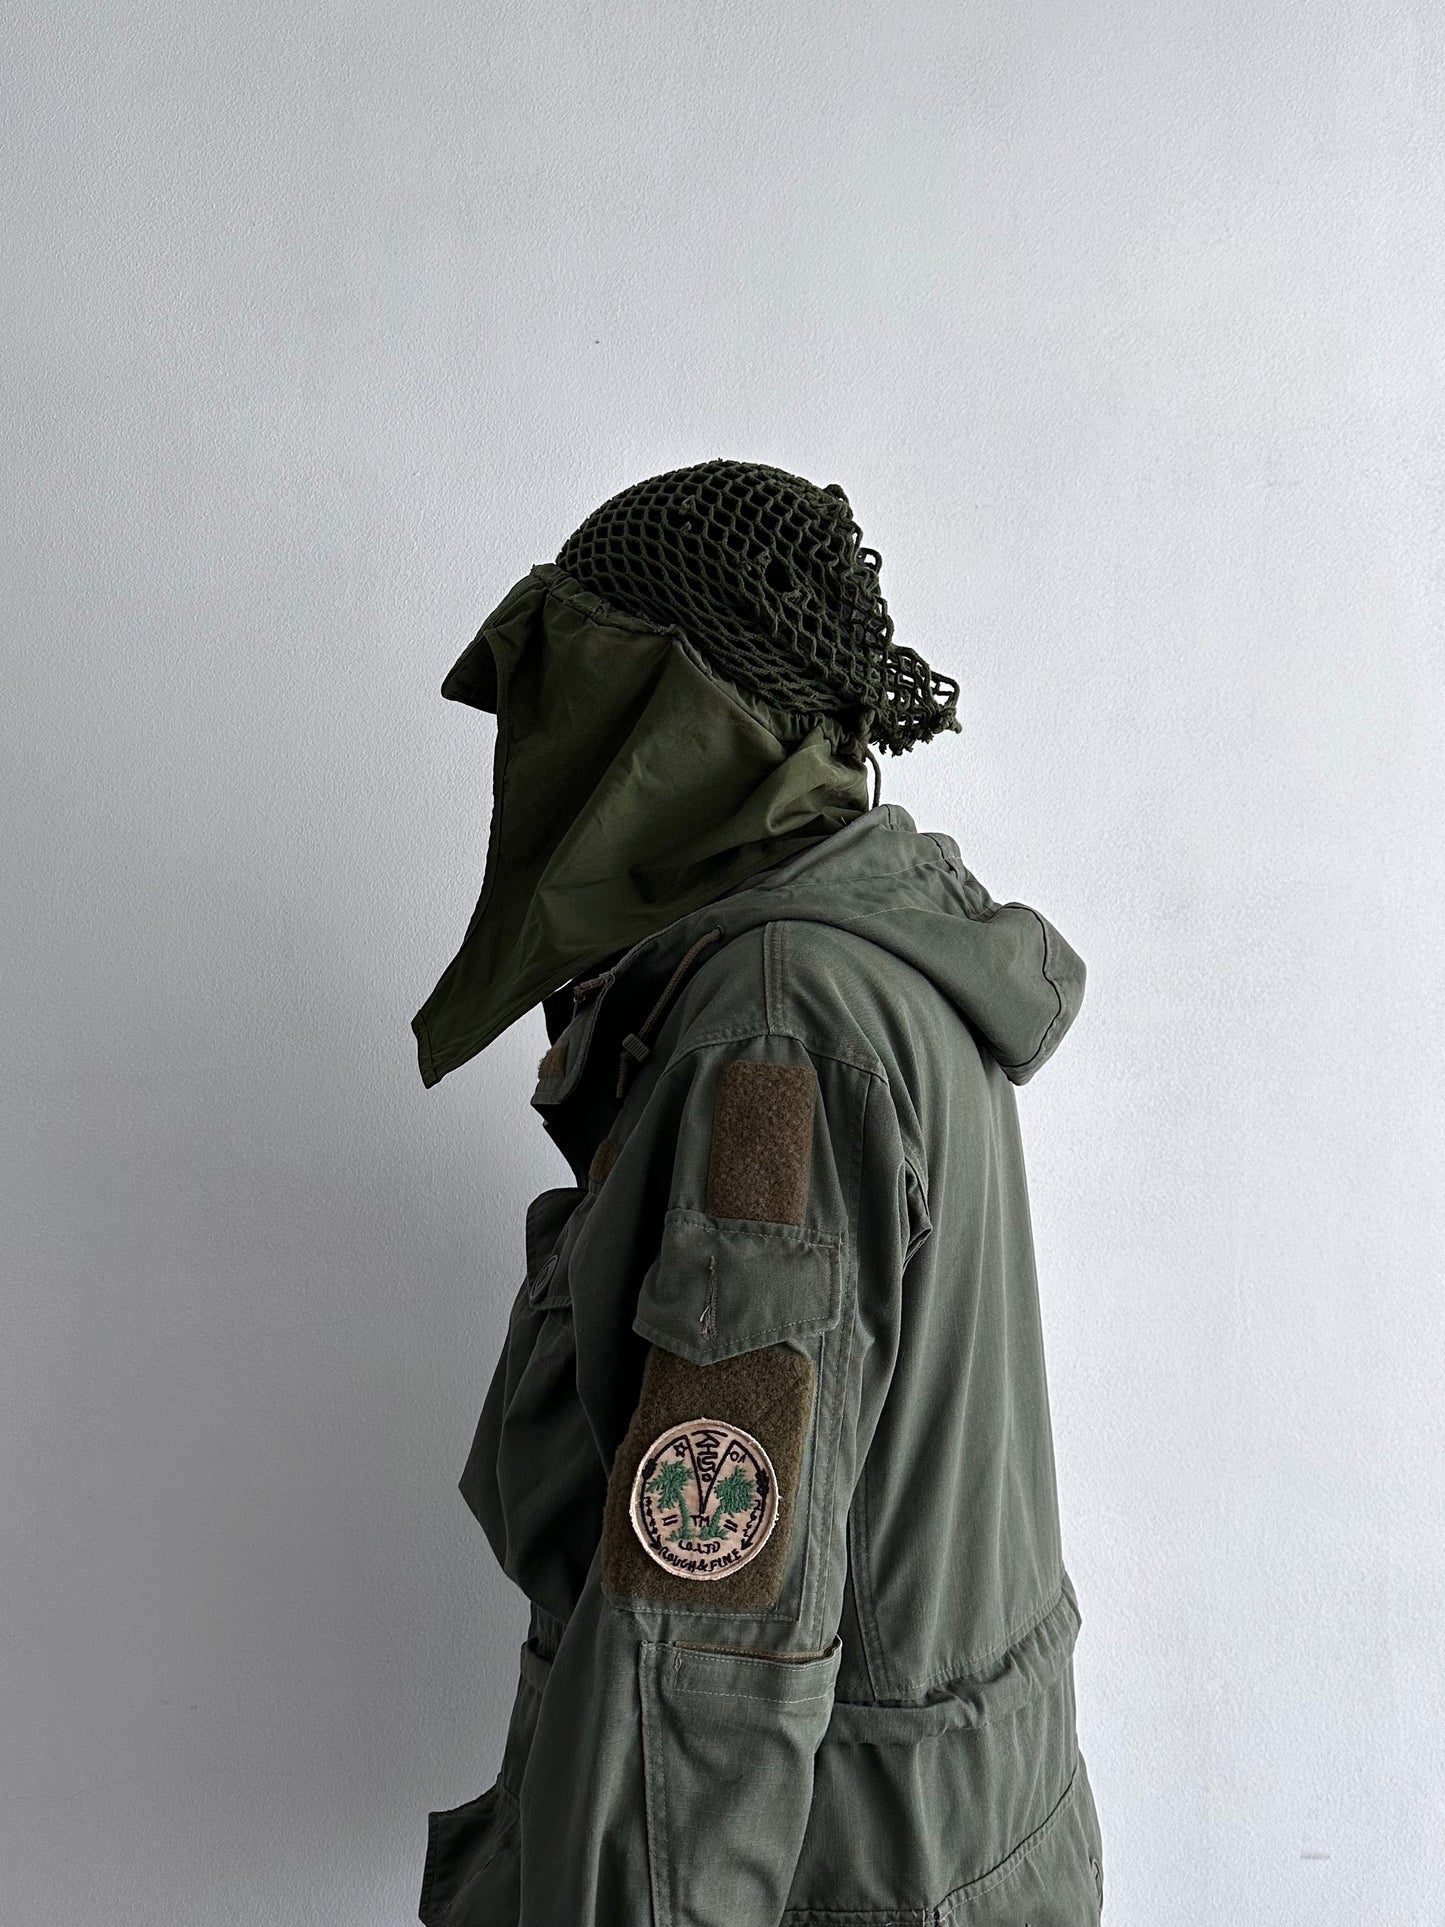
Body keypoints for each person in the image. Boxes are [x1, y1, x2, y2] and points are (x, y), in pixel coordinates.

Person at [410, 459, 1106, 1925]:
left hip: (819, 1876)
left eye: (569, 700)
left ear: (667, 722)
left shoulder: (778, 1025)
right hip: (954, 1845)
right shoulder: (880, 947)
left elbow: (707, 1651)